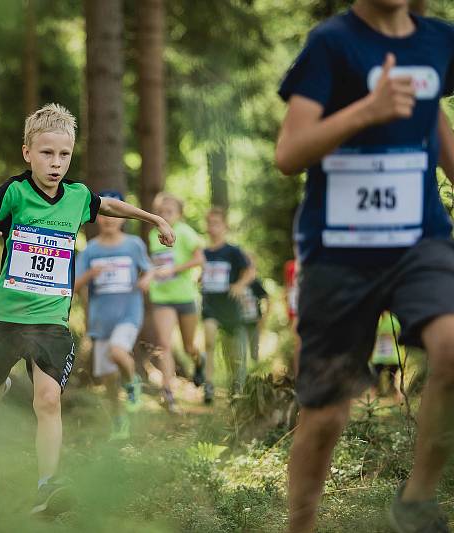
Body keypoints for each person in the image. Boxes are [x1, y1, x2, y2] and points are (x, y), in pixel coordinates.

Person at [275, 1, 454, 530]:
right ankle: (299, 525)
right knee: (327, 415)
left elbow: (431, 119)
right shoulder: (332, 43)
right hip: (338, 254)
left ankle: (417, 498)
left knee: (452, 347)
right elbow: (289, 153)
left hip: (419, 243)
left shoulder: (438, 41)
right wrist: (367, 111)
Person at [0, 103, 175, 515]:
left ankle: (46, 486)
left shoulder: (77, 197)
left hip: (51, 321)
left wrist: (155, 219)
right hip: (5, 317)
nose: (56, 164)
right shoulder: (14, 192)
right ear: (27, 153)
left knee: (48, 400)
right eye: (46, 153)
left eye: (64, 155)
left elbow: (112, 206)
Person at [74, 190, 154, 440]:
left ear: (123, 218)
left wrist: (146, 281)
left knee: (118, 352)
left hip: (129, 314)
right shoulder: (90, 250)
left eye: (115, 216)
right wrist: (90, 275)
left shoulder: (134, 245)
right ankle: (119, 420)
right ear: (98, 216)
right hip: (100, 322)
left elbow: (150, 270)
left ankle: (132, 384)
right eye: (104, 215)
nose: (109, 220)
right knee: (108, 379)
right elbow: (74, 285)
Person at [147, 192, 206, 412]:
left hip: (185, 296)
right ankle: (168, 394)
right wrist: (151, 275)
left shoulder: (185, 232)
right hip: (162, 297)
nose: (164, 215)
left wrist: (174, 269)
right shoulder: (154, 235)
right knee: (164, 345)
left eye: (169, 211)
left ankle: (200, 362)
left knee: (189, 346)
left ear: (179, 214)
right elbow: (155, 264)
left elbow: (200, 258)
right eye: (161, 212)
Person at [200, 207, 255, 404]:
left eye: (216, 224)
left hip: (230, 306)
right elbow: (201, 272)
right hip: (210, 304)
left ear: (225, 227)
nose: (212, 228)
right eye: (209, 223)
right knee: (209, 341)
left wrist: (239, 285)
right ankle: (208, 386)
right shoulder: (203, 252)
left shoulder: (233, 251)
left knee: (234, 352)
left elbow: (250, 271)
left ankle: (237, 387)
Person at [372, 311, 403, 399]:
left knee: (391, 379)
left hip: (391, 356)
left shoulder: (393, 320)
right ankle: (377, 397)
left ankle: (394, 397)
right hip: (379, 356)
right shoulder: (378, 319)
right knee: (376, 378)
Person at [240, 273, 269, 363]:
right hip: (239, 322)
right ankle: (241, 374)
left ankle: (255, 372)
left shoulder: (254, 282)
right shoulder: (234, 280)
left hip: (254, 321)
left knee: (254, 350)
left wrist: (264, 317)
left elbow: (267, 298)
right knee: (240, 350)